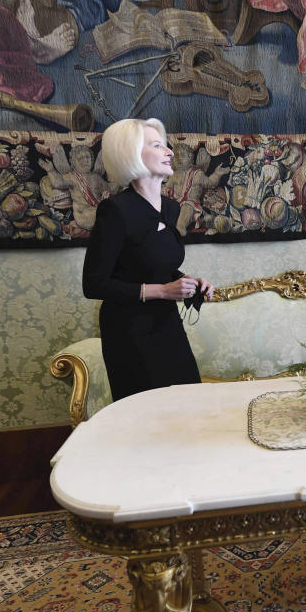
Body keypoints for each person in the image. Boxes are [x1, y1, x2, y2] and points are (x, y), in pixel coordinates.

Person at [82, 118, 214, 402]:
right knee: (146, 415)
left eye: (165, 145)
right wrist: (163, 291)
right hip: (128, 330)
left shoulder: (170, 207)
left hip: (165, 322)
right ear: (130, 154)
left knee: (187, 403)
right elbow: (93, 284)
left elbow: (156, 264)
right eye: (157, 145)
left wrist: (187, 282)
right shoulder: (114, 211)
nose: (169, 152)